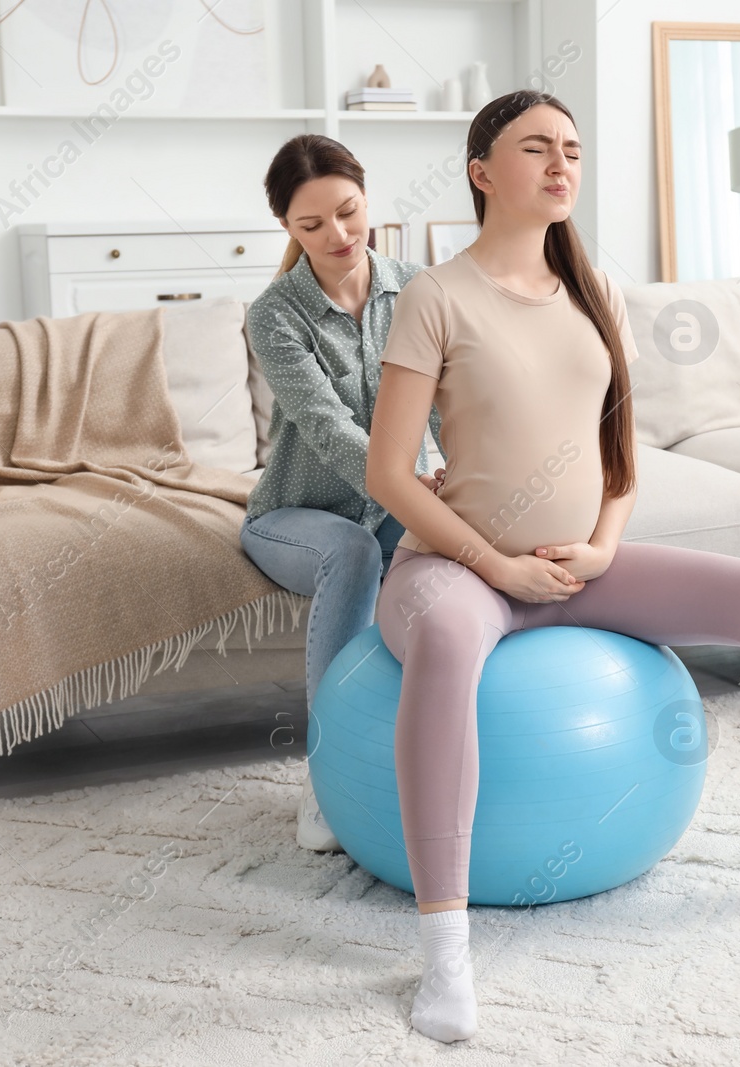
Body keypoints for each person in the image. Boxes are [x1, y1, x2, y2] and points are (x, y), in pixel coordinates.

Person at [361, 91, 740, 1044]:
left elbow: (619, 456)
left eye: (573, 147)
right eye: (537, 149)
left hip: (580, 567)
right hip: (456, 570)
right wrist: (496, 567)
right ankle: (445, 945)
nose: (563, 164)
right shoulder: (437, 297)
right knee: (445, 633)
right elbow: (389, 473)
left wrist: (604, 544)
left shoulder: (596, 291)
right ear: (483, 172)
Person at [240, 134, 446, 852]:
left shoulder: (421, 289)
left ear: (367, 198)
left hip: (397, 499)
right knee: (356, 550)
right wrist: (413, 486)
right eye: (311, 225)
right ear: (287, 230)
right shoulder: (274, 314)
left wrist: (463, 483)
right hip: (298, 515)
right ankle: (326, 777)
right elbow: (326, 428)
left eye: (348, 212)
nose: (337, 236)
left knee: (454, 560)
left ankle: (432, 749)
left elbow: (451, 406)